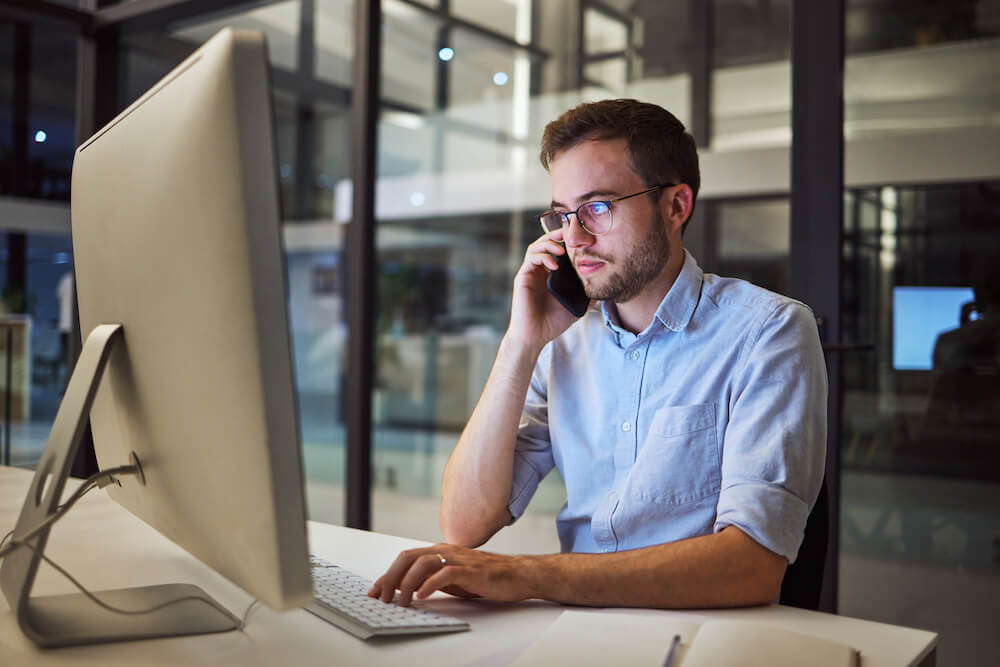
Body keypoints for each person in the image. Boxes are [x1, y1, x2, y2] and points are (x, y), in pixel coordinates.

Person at [368, 99, 827, 609]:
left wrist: (526, 576)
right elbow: (464, 523)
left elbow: (751, 567)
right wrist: (520, 344)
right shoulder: (562, 341)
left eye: (598, 208)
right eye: (563, 215)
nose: (575, 238)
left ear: (676, 206)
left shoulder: (768, 332)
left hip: (700, 637)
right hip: (577, 630)